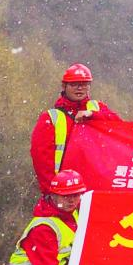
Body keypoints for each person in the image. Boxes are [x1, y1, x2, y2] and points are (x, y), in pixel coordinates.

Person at [30, 63, 120, 194]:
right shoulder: (50, 118)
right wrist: (53, 191)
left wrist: (93, 115)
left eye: (84, 84)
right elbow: (41, 160)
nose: (79, 88)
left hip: (96, 186)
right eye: (74, 84)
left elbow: (119, 127)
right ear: (64, 86)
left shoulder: (97, 107)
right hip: (64, 189)